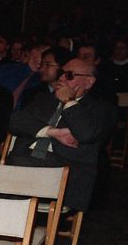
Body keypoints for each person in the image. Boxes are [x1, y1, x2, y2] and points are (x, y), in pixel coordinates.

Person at [7, 58, 117, 212]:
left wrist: (69, 101)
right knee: (7, 171)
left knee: (9, 171)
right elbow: (14, 122)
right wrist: (51, 132)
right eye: (61, 73)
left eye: (69, 75)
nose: (61, 78)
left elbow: (86, 134)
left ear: (89, 82)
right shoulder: (42, 99)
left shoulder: (101, 109)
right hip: (25, 161)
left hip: (63, 173)